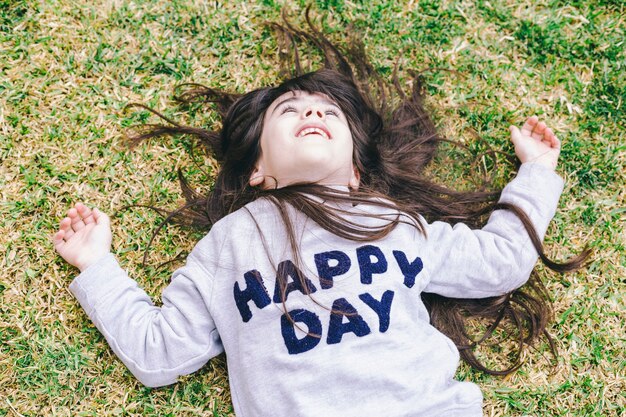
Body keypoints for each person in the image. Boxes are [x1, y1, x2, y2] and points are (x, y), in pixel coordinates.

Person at [53, 17, 586, 417]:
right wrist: (97, 266)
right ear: (258, 167)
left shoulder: (394, 223)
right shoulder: (230, 243)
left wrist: (536, 175)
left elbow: (500, 261)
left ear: (355, 168)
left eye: (329, 112)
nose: (312, 111)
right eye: (289, 110)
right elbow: (160, 351)